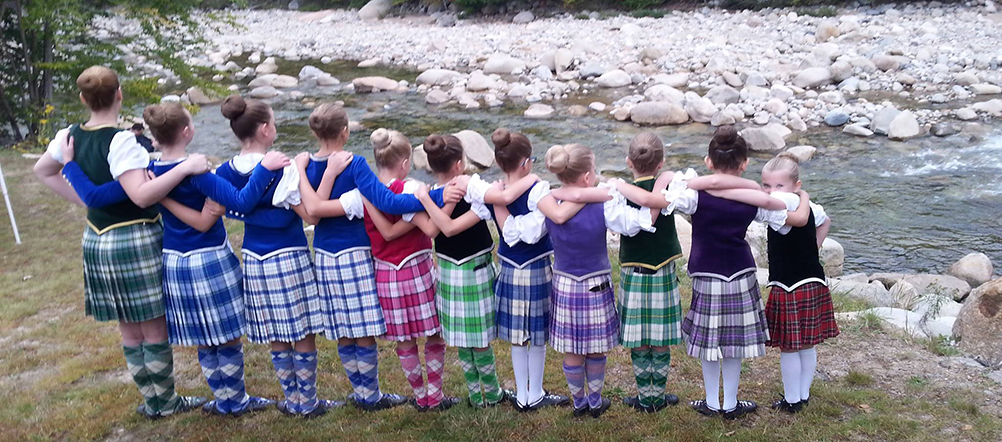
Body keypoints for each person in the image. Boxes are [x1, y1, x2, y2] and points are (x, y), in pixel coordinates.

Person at [61, 102, 289, 417]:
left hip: (175, 262)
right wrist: (265, 168)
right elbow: (241, 201)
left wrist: (69, 165)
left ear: (154, 138)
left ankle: (222, 398)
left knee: (203, 336)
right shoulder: (197, 173)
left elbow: (97, 196)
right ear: (187, 132)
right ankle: (235, 400)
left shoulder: (150, 173)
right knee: (226, 335)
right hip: (209, 259)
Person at [33, 66, 206, 419]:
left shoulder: (68, 135)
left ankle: (151, 402)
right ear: (120, 94)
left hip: (96, 240)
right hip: (135, 237)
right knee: (153, 325)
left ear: (83, 99)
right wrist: (184, 169)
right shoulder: (122, 140)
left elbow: (41, 170)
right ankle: (166, 401)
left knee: (128, 325)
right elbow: (141, 196)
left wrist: (81, 198)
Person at [293, 104, 446, 412]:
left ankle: (363, 392)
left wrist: (297, 169)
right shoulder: (354, 163)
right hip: (358, 253)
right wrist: (434, 195)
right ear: (346, 132)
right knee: (361, 328)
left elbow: (313, 212)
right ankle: (372, 394)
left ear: (313, 132)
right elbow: (385, 199)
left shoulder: (305, 165)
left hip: (324, 252)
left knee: (344, 327)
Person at [656, 126, 807, 419]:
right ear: (745, 163)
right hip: (740, 271)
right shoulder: (752, 197)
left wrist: (700, 181)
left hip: (706, 271)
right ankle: (731, 403)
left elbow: (668, 194)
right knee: (734, 342)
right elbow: (785, 220)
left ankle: (713, 402)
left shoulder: (694, 195)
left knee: (710, 342)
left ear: (709, 161)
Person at [213, 95, 339, 417]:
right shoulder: (282, 168)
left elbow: (232, 208)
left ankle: (291, 398)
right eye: (275, 122)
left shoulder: (224, 171)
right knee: (302, 330)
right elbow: (308, 215)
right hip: (289, 254)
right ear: (265, 129)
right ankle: (307, 402)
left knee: (276, 331)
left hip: (254, 257)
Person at [413, 133, 537, 410]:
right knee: (478, 340)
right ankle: (490, 394)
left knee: (461, 338)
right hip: (473, 269)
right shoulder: (470, 192)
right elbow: (449, 228)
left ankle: (476, 393)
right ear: (459, 164)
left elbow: (437, 228)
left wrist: (424, 198)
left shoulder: (429, 191)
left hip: (446, 268)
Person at [534, 143, 658, 418]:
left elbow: (531, 232)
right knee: (596, 347)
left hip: (565, 281)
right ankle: (594, 400)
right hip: (596, 281)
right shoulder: (604, 202)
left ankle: (579, 402)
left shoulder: (547, 199)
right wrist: (654, 207)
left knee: (572, 348)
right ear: (588, 176)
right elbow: (634, 223)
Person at [472, 129, 569, 411]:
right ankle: (532, 393)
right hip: (534, 266)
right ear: (526, 162)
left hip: (510, 267)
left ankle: (526, 392)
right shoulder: (537, 189)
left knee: (520, 335)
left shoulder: (492, 190)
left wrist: (497, 204)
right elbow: (525, 234)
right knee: (534, 335)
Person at [759, 153, 838, 414]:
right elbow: (826, 221)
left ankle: (792, 400)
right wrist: (813, 247)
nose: (772, 192)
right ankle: (803, 394)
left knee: (789, 346)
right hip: (814, 278)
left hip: (789, 284)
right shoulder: (810, 204)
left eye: (779, 186)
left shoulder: (778, 206)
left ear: (795, 185)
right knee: (806, 342)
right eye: (767, 186)